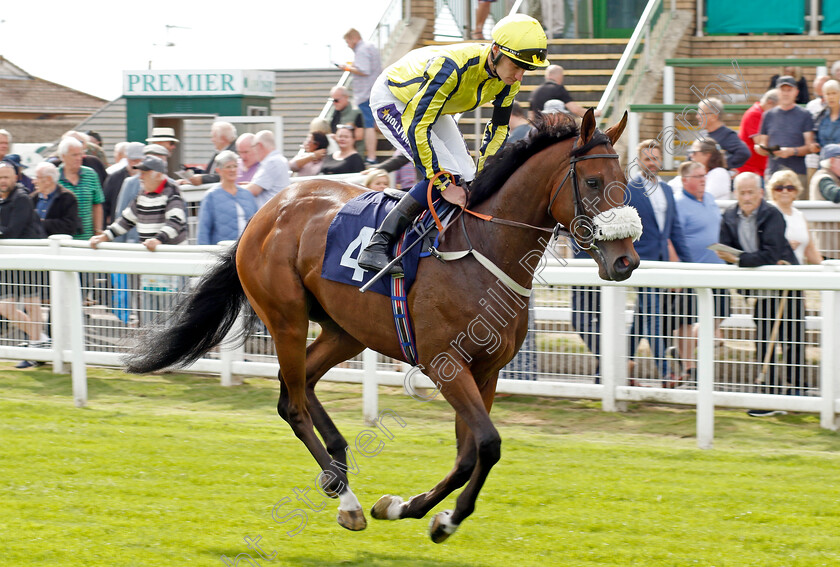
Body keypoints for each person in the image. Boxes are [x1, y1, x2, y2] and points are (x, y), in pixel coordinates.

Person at [358, 14, 549, 274]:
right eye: (516, 66)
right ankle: (377, 245)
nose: (519, 76)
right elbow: (417, 126)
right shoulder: (451, 68)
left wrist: (485, 174)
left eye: (526, 68)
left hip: (431, 108)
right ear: (495, 51)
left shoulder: (507, 81)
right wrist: (444, 184)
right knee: (446, 174)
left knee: (470, 177)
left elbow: (498, 130)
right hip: (395, 99)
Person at [717, 172, 805, 408]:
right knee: (764, 339)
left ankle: (797, 392)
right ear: (735, 194)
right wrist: (737, 258)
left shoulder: (772, 214)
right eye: (742, 193)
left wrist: (739, 259)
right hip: (762, 290)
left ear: (760, 193)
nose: (746, 198)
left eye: (750, 193)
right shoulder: (728, 215)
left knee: (793, 339)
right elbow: (725, 250)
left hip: (788, 286)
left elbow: (771, 253)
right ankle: (768, 391)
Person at [627, 140, 692, 387]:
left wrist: (688, 264)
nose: (652, 163)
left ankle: (619, 365)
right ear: (639, 162)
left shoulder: (666, 191)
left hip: (662, 264)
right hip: (641, 264)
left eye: (655, 158)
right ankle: (666, 373)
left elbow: (675, 231)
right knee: (653, 314)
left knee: (641, 317)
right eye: (647, 159)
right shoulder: (629, 189)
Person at [666, 161, 729, 383]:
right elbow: (670, 238)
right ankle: (690, 367)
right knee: (686, 320)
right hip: (691, 271)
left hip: (717, 270)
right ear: (685, 180)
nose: (704, 179)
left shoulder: (711, 199)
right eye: (699, 176)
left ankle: (683, 352)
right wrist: (676, 266)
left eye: (705, 175)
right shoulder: (678, 203)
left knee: (718, 315)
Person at [0, 161, 48, 367]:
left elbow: (12, 231)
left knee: (32, 305)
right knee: (5, 307)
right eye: (0, 177)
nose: (2, 181)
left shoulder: (21, 199)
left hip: (29, 257)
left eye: (6, 177)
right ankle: (42, 341)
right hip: (10, 261)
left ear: (16, 178)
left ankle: (36, 347)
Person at [754, 75, 818, 188]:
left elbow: (810, 147)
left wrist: (791, 151)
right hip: (774, 173)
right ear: (777, 92)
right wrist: (761, 148)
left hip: (797, 174)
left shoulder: (805, 115)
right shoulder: (768, 115)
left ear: (796, 92)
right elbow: (763, 142)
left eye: (789, 90)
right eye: (782, 90)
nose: (785, 93)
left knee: (798, 205)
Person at [340, 28, 382, 164]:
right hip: (373, 90)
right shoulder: (369, 47)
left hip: (366, 93)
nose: (348, 45)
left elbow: (364, 70)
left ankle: (371, 157)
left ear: (353, 38)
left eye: (348, 42)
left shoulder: (361, 50)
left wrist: (346, 68)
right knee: (375, 124)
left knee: (368, 125)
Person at [197, 151, 258, 245]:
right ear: (219, 170)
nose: (232, 170)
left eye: (235, 166)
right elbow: (203, 230)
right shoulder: (211, 196)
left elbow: (256, 224)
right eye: (228, 167)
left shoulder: (247, 195)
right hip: (222, 252)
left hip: (246, 251)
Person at [767, 170, 823, 265]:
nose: (785, 191)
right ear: (772, 192)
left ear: (796, 191)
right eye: (779, 188)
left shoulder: (800, 215)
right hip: (775, 270)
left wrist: (826, 268)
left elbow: (810, 249)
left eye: (790, 188)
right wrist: (784, 248)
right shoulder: (768, 214)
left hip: (797, 270)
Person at [56, 137, 104, 241]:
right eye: (74, 155)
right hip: (63, 239)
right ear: (63, 157)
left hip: (88, 239)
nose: (79, 158)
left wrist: (98, 231)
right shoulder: (55, 177)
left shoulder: (91, 174)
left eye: (80, 154)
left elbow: (97, 204)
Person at [697, 97, 750, 171]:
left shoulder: (727, 135)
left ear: (714, 116)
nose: (698, 117)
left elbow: (743, 153)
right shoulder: (703, 135)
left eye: (702, 114)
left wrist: (722, 165)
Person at [31, 162, 81, 237]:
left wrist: (42, 223)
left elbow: (70, 226)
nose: (33, 181)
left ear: (48, 179)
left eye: (37, 177)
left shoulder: (67, 198)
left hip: (57, 246)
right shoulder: (32, 198)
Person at [244, 130, 290, 209]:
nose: (253, 151)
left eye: (253, 147)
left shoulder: (272, 162)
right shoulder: (279, 159)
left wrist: (231, 188)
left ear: (259, 145)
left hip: (270, 214)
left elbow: (252, 190)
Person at [737, 89, 779, 176]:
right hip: (750, 170)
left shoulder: (761, 113)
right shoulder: (755, 114)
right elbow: (761, 142)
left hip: (758, 169)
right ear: (770, 103)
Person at [182, 121, 237, 186]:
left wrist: (203, 179)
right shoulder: (218, 152)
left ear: (223, 138)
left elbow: (224, 175)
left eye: (213, 137)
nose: (212, 140)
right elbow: (209, 173)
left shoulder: (233, 155)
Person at [102, 142, 144, 225]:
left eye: (138, 160)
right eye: (132, 160)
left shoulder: (148, 178)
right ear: (126, 158)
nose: (134, 164)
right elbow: (105, 204)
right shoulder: (115, 177)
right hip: (119, 225)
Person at [328, 85, 364, 150]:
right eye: (332, 100)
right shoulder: (333, 112)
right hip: (337, 152)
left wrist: (336, 137)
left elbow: (359, 136)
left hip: (353, 153)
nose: (334, 103)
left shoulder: (356, 112)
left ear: (346, 97)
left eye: (336, 100)